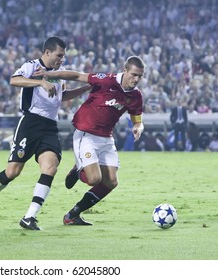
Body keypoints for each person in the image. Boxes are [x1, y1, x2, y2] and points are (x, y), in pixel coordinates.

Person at [0, 36, 91, 230]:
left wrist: (84, 89)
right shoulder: (31, 66)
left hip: (50, 126)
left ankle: (30, 217)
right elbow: (14, 80)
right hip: (30, 123)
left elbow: (62, 96)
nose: (62, 59)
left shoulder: (59, 73)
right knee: (13, 172)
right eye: (59, 55)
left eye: (63, 56)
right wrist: (40, 82)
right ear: (47, 52)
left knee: (50, 167)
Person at [33, 55, 145, 225]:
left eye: (140, 76)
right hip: (86, 134)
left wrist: (138, 127)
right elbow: (77, 76)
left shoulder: (136, 96)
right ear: (125, 71)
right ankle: (78, 169)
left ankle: (73, 214)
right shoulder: (106, 81)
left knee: (111, 182)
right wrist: (52, 75)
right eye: (134, 74)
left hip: (106, 138)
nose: (136, 79)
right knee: (94, 179)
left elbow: (138, 120)